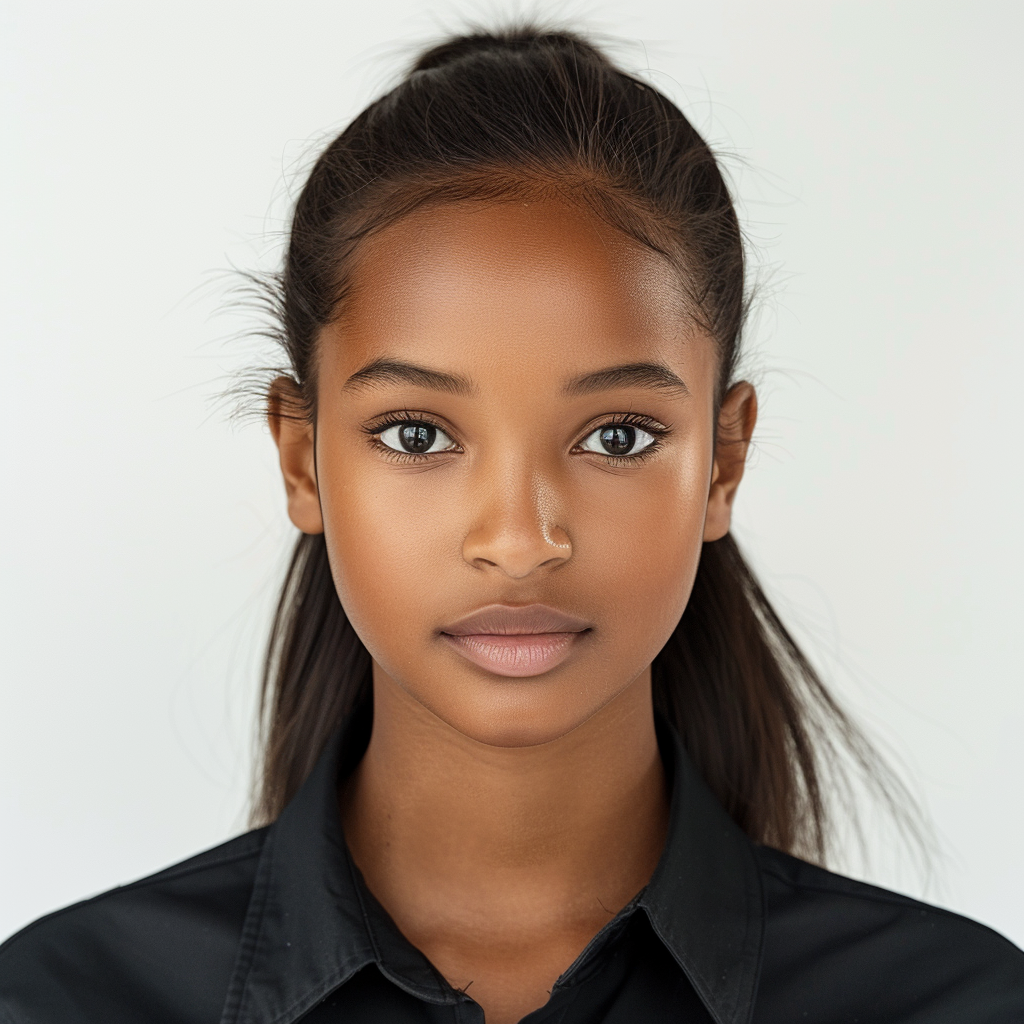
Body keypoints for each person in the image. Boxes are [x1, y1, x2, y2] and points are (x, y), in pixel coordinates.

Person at [1, 24, 1022, 1024]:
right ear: (299, 454)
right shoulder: (64, 999)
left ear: (726, 458)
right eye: (415, 433)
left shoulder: (954, 1000)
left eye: (617, 436)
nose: (521, 540)